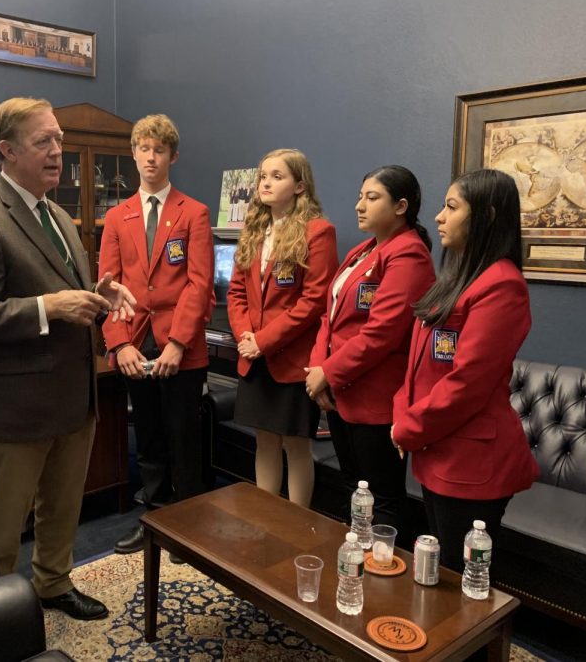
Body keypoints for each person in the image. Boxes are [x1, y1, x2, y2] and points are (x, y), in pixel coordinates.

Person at [0, 96, 135, 621]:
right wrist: (46, 307)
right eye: (43, 142)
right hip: (17, 404)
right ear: (7, 151)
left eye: (59, 140)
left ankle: (53, 583)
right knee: (4, 525)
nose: (57, 152)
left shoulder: (61, 217)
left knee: (63, 506)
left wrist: (98, 295)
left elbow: (61, 292)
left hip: (75, 395)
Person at [391, 168, 539, 571]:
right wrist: (402, 412)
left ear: (486, 216)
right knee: (439, 575)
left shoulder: (502, 286)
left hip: (472, 463)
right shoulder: (457, 278)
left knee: (460, 586)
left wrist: (407, 427)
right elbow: (418, 364)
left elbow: (467, 383)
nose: (439, 216)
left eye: (452, 207)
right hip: (438, 450)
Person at [99, 114, 214, 556]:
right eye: (144, 149)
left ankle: (187, 528)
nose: (151, 157)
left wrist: (178, 344)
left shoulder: (194, 213)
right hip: (134, 339)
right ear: (133, 153)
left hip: (178, 343)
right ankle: (153, 520)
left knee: (182, 434)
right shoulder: (116, 216)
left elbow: (199, 284)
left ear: (173, 156)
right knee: (146, 436)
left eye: (159, 150)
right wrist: (119, 343)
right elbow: (107, 285)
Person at [305, 165, 435, 532]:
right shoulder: (365, 250)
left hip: (375, 400)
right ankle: (354, 563)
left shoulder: (409, 255)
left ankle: (379, 578)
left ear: (401, 206)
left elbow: (381, 334)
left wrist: (327, 373)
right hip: (340, 392)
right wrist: (319, 372)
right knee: (354, 490)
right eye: (361, 197)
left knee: (382, 498)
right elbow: (328, 318)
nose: (360, 206)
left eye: (372, 198)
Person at [227, 149, 338, 507]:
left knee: (295, 444)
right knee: (264, 441)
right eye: (263, 176)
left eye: (277, 176)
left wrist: (262, 340)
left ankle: (296, 524)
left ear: (300, 186)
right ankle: (266, 519)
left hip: (291, 361)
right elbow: (236, 292)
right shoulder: (254, 229)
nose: (266, 183)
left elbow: (314, 301)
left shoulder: (318, 232)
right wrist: (246, 336)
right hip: (254, 356)